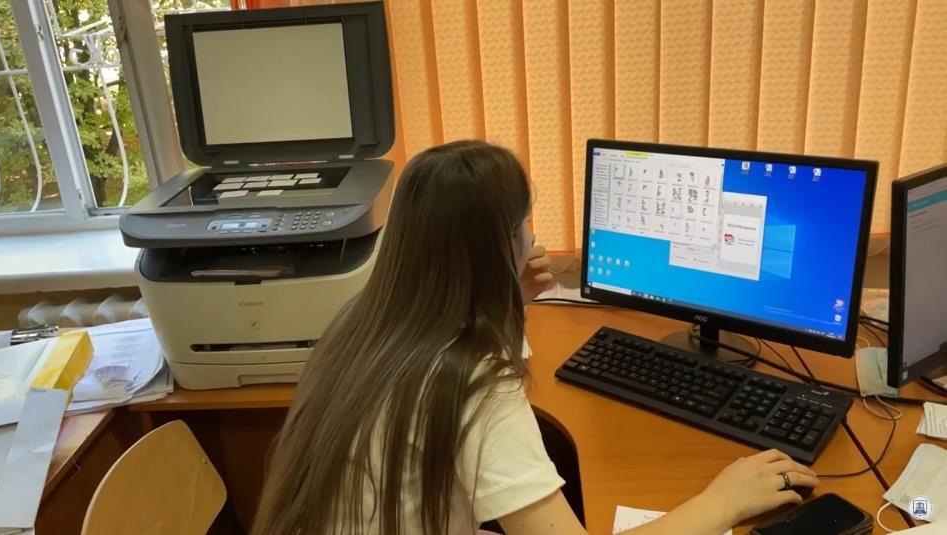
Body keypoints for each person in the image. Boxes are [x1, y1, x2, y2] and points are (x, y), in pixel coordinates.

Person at [251, 140, 819, 535]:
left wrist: (510, 300)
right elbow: (483, 391)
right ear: (500, 244)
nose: (533, 235)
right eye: (525, 221)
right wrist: (722, 501)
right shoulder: (473, 385)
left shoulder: (362, 323)